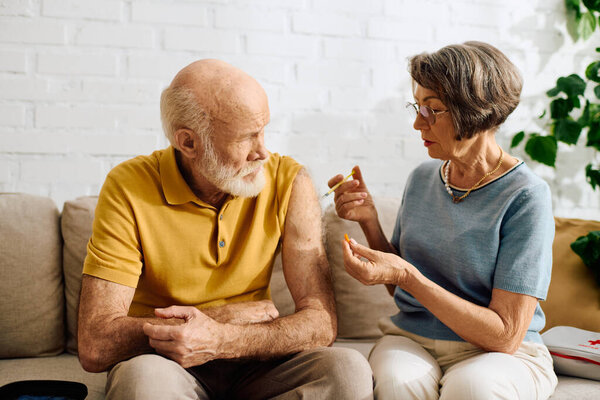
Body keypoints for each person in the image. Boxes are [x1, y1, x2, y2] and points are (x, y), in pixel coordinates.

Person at [77, 59, 373, 400]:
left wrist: (221, 339)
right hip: (167, 363)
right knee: (142, 382)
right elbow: (95, 343)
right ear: (188, 143)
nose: (262, 151)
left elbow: (322, 324)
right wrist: (221, 318)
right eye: (247, 138)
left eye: (263, 130)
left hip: (256, 358)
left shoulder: (290, 181)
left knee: (347, 371)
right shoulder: (128, 186)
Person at [328, 41, 558, 400]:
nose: (419, 122)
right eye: (417, 107)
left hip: (498, 352)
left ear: (476, 112)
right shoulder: (422, 177)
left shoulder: (526, 196)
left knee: (472, 387)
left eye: (433, 110)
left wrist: (407, 275)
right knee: (394, 381)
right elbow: (402, 286)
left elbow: (505, 334)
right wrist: (369, 221)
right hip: (414, 339)